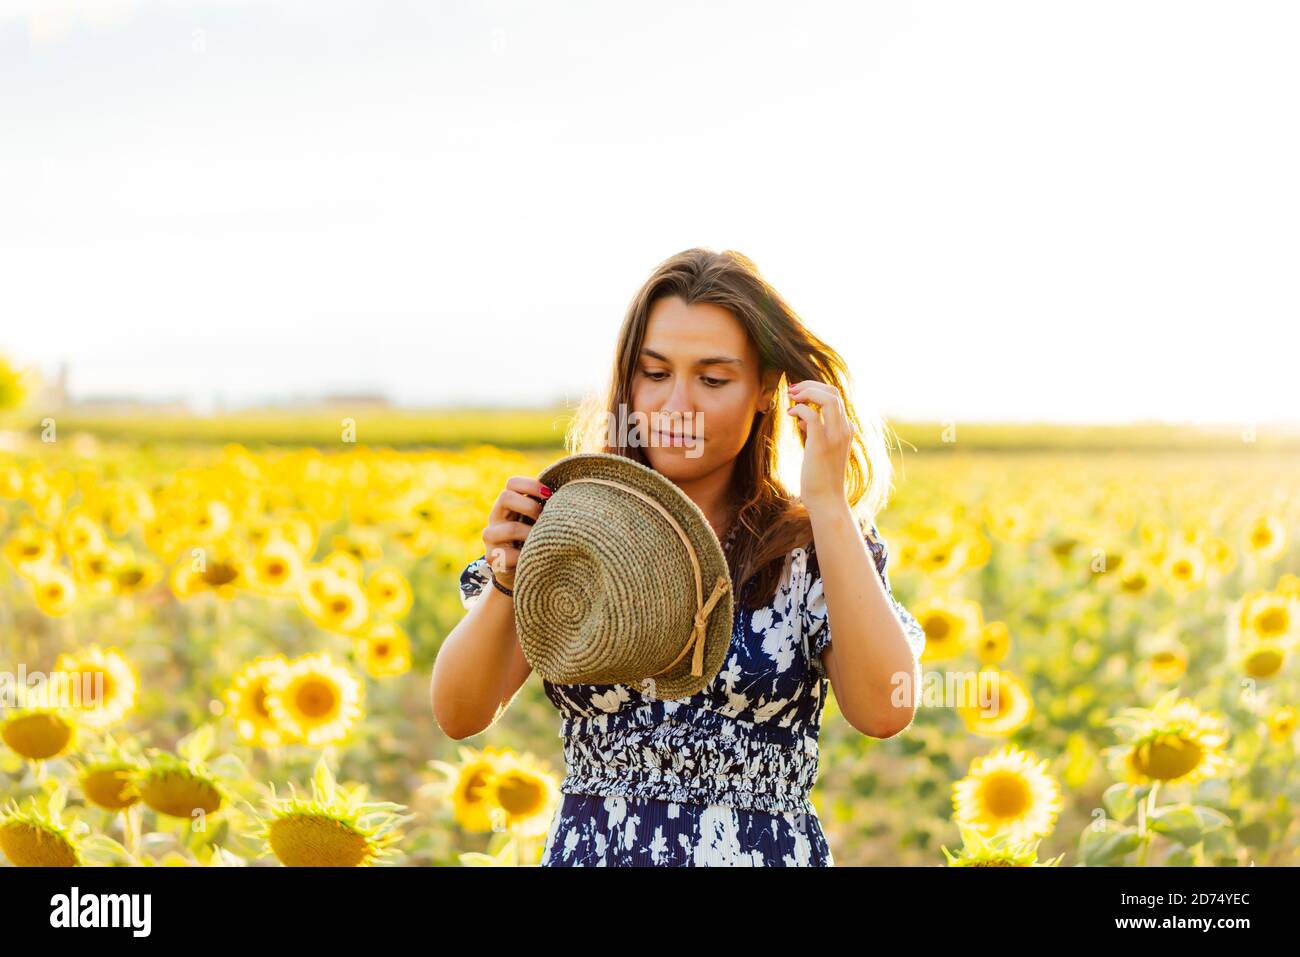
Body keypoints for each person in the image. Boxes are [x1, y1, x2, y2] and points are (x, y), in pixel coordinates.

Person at [431, 247, 926, 866]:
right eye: (655, 373)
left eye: (713, 379)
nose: (675, 405)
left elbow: (886, 707)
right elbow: (459, 713)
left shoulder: (810, 544)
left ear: (767, 391)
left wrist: (827, 503)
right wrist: (508, 581)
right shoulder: (571, 523)